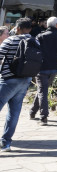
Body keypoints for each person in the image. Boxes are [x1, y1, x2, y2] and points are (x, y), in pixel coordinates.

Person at [0, 18, 36, 152]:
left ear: (17, 28)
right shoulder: (35, 41)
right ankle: (6, 143)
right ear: (30, 29)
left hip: (8, 79)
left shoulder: (10, 40)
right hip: (25, 80)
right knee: (14, 113)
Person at [30, 16, 57, 125]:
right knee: (43, 89)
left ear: (47, 25)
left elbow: (35, 50)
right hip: (55, 67)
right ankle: (33, 112)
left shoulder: (41, 36)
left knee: (42, 91)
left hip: (42, 67)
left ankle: (44, 117)